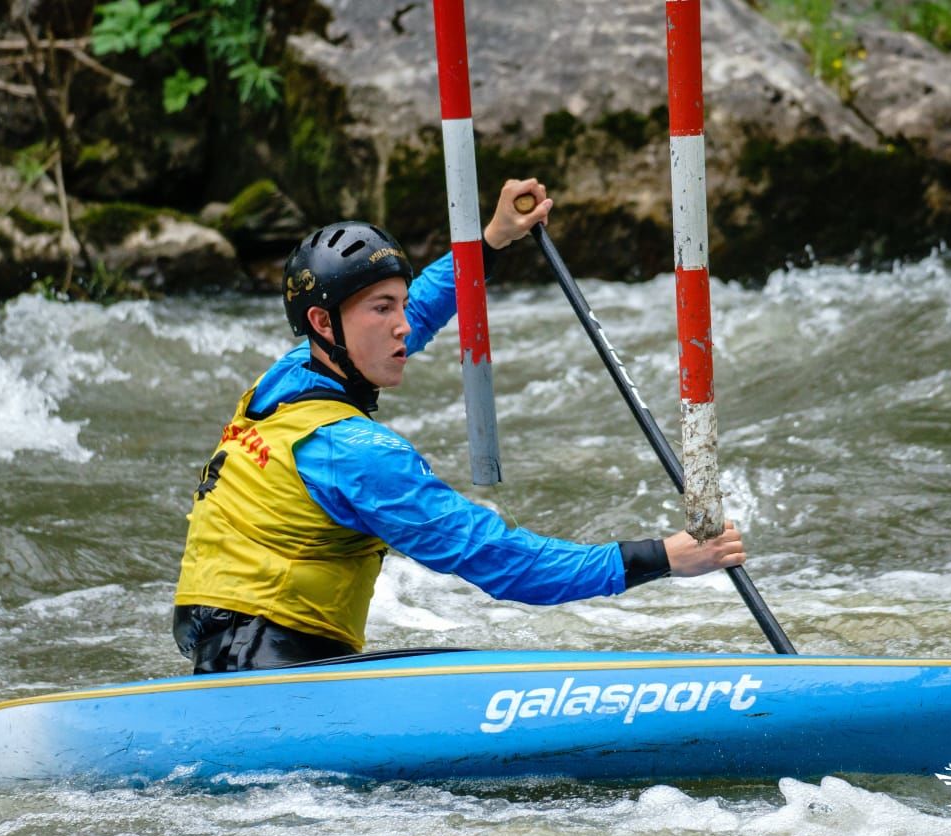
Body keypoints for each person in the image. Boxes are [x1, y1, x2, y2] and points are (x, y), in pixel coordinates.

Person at [172, 178, 746, 673]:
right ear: (324, 321)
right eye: (380, 309)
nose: (402, 326)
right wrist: (663, 557)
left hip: (226, 651)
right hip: (272, 669)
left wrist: (490, 241)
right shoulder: (355, 454)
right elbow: (501, 561)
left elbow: (421, 310)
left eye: (397, 304)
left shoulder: (287, 380)